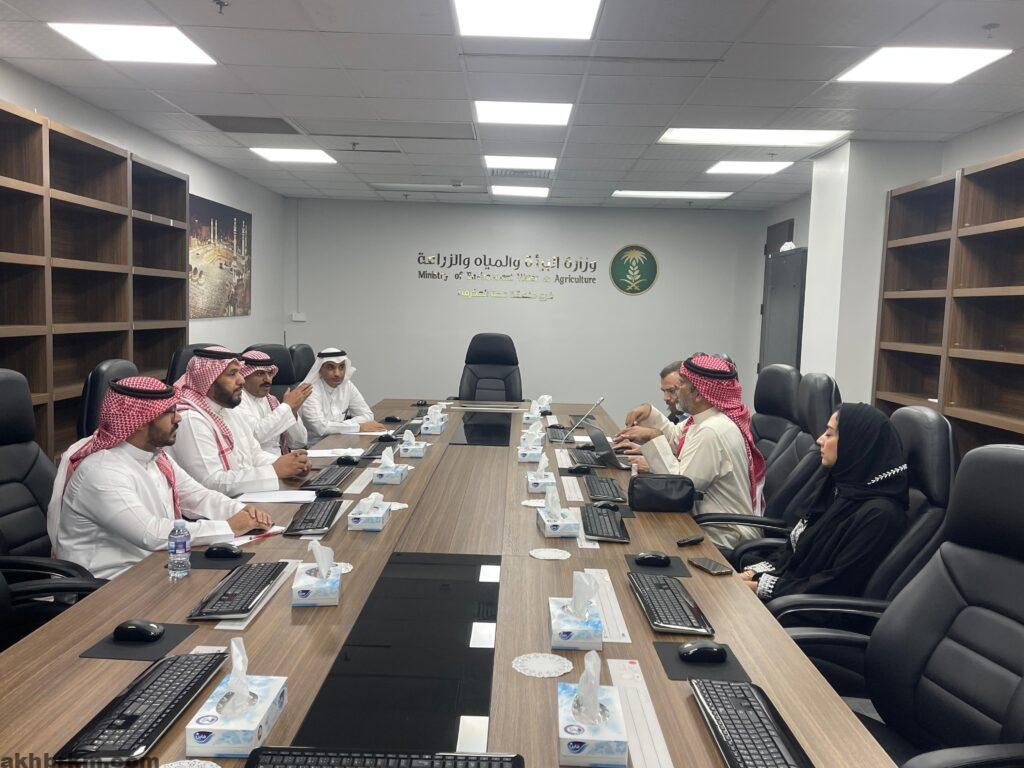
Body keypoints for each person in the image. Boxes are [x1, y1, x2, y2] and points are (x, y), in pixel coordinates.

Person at [47, 376, 272, 579]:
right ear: (139, 420)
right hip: (108, 587)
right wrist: (229, 527)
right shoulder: (102, 471)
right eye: (169, 412)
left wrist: (242, 511)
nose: (179, 417)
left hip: (153, 569)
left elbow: (197, 496)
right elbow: (151, 533)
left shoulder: (155, 456)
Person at [740, 403, 909, 602]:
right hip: (791, 592)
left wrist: (756, 587)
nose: (820, 440)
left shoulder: (881, 515)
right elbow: (794, 550)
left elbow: (835, 585)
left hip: (806, 608)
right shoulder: (839, 488)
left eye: (829, 434)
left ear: (854, 443)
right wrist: (751, 574)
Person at [620, 354, 766, 549]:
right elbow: (675, 438)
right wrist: (649, 412)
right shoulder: (704, 420)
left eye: (681, 384)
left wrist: (653, 437)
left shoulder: (712, 431)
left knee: (638, 535)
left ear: (697, 393)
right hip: (703, 520)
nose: (676, 391)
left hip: (723, 533)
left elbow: (678, 489)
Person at [168, 346, 311, 496]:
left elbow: (254, 454)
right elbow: (210, 483)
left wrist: (290, 464)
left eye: (239, 372)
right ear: (208, 380)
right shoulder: (191, 419)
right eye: (232, 374)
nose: (241, 380)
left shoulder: (229, 409)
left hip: (247, 495)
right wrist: (274, 471)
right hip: (221, 505)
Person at [300, 348, 386, 443]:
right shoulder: (310, 390)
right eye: (331, 368)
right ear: (320, 370)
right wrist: (358, 426)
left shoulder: (347, 385)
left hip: (341, 439)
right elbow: (321, 428)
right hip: (316, 446)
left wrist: (340, 425)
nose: (337, 373)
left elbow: (368, 415)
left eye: (341, 367)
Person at [236, 350, 311, 454]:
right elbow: (256, 436)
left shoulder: (272, 400)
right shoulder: (237, 401)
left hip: (279, 459)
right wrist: (287, 406)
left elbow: (299, 442)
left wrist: (292, 411)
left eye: (270, 373)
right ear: (244, 376)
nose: (268, 379)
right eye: (260, 373)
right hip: (256, 462)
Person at [614, 360, 687, 449]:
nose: (665, 398)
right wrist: (644, 449)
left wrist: (652, 434)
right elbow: (673, 444)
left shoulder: (701, 425)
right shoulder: (676, 417)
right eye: (664, 391)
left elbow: (683, 455)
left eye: (672, 391)